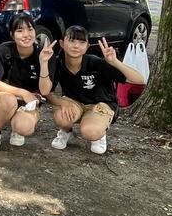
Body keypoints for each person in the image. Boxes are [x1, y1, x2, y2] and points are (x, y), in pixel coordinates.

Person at [47, 26, 145, 154]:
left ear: (87, 46)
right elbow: (47, 92)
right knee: (61, 116)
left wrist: (115, 62)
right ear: (62, 43)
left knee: (90, 131)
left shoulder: (96, 63)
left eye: (81, 42)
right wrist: (61, 102)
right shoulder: (58, 64)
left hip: (101, 104)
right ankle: (65, 132)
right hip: (74, 103)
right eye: (71, 41)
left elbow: (139, 80)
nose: (76, 46)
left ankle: (99, 134)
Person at [0, 13, 56, 154]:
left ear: (35, 31)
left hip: (29, 103)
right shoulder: (3, 50)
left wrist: (43, 62)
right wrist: (22, 93)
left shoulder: (45, 53)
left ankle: (16, 126)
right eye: (20, 31)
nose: (26, 35)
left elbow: (45, 91)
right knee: (8, 100)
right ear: (12, 34)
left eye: (30, 29)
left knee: (23, 127)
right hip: (5, 96)